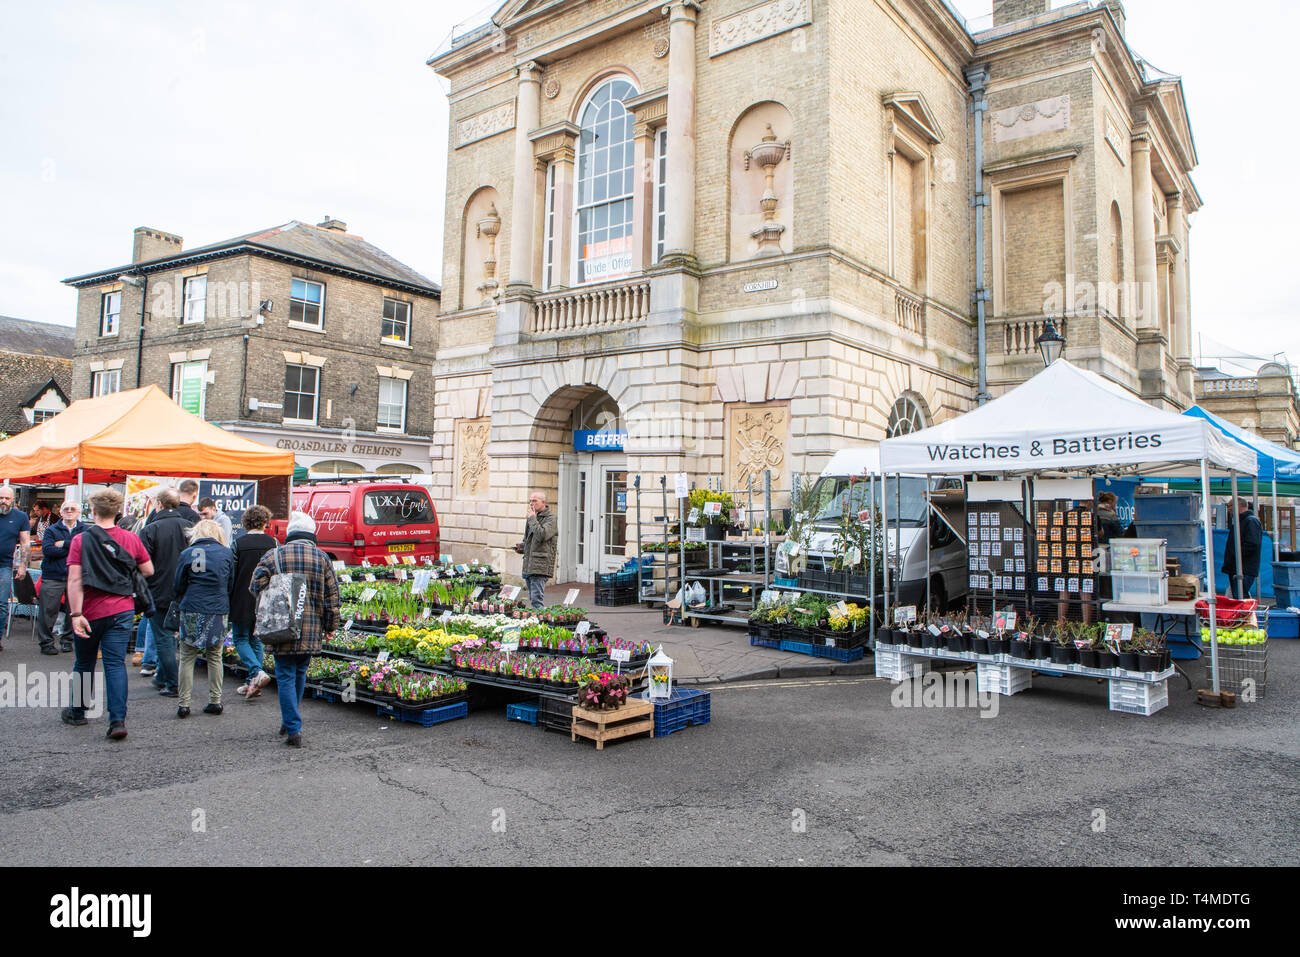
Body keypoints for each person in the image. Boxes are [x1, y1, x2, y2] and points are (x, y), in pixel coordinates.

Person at [63, 489, 154, 739]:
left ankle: (78, 712)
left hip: (89, 610)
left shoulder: (81, 540)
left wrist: (75, 613)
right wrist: (123, 577)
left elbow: (74, 580)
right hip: (121, 609)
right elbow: (148, 569)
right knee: (115, 664)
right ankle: (117, 721)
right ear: (118, 512)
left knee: (84, 662)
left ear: (92, 511)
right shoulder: (130, 539)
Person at [250, 512, 340, 748]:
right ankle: (291, 721)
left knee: (286, 675)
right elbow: (333, 597)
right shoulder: (322, 558)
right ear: (312, 534)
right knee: (299, 673)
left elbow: (255, 586)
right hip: (311, 627)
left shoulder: (274, 555)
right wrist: (331, 626)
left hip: (282, 625)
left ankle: (292, 727)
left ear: (290, 533)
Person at [172, 519, 234, 719]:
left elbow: (178, 585)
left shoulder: (187, 554)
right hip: (217, 608)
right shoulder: (226, 553)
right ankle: (215, 701)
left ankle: (184, 704)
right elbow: (230, 584)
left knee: (187, 656)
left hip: (192, 607)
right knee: (215, 656)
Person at [137, 488, 194, 697]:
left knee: (163, 638)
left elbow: (142, 565)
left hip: (158, 591)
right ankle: (162, 676)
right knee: (171, 638)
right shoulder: (190, 527)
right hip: (187, 591)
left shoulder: (150, 529)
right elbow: (198, 562)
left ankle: (172, 683)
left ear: (159, 504)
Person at [230, 505, 276, 699]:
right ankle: (252, 683)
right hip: (265, 598)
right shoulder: (273, 543)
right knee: (256, 638)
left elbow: (231, 574)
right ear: (266, 521)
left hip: (241, 597)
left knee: (240, 638)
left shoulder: (238, 543)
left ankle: (256, 672)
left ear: (245, 522)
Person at [37, 501, 88, 655]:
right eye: (66, 509)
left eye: (73, 508)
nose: (70, 511)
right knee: (48, 611)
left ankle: (67, 641)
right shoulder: (51, 530)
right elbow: (48, 550)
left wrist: (63, 544)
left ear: (79, 512)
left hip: (77, 576)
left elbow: (87, 549)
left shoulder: (86, 530)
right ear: (60, 512)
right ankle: (46, 643)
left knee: (73, 610)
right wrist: (74, 547)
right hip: (53, 576)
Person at [0, 485, 32, 651]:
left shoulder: (20, 517)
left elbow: (25, 542)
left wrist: (23, 565)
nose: (3, 501)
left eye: (7, 498)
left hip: (4, 566)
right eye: (1, 498)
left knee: (2, 604)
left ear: (13, 500)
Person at [517, 491, 557, 609]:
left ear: (543, 502)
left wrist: (533, 519)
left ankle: (542, 624)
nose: (531, 504)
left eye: (535, 501)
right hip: (529, 563)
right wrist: (522, 547)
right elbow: (529, 539)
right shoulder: (532, 517)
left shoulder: (551, 518)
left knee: (536, 600)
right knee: (532, 598)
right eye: (530, 501)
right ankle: (537, 622)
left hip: (540, 565)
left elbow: (542, 535)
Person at [1222, 497, 1264, 599]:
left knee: (1241, 599)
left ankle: (1246, 614)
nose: (1229, 509)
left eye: (1230, 506)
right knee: (1238, 598)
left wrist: (1235, 557)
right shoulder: (1240, 522)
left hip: (1243, 569)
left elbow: (1252, 544)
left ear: (1239, 506)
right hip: (1238, 568)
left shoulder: (1250, 521)